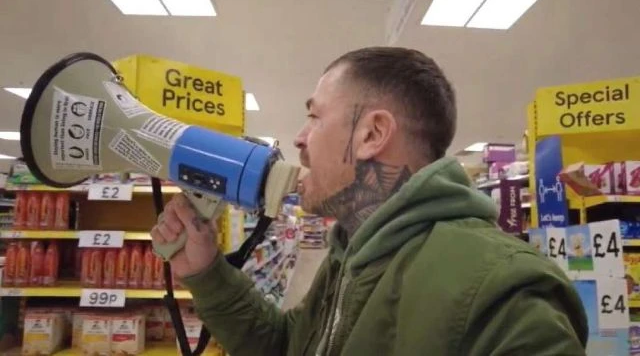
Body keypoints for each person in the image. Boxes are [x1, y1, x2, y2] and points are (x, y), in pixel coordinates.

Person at [151, 47, 589, 356]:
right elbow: (286, 346)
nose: (300, 140)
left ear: (373, 134)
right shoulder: (352, 255)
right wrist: (206, 272)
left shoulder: (502, 291)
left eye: (314, 116)